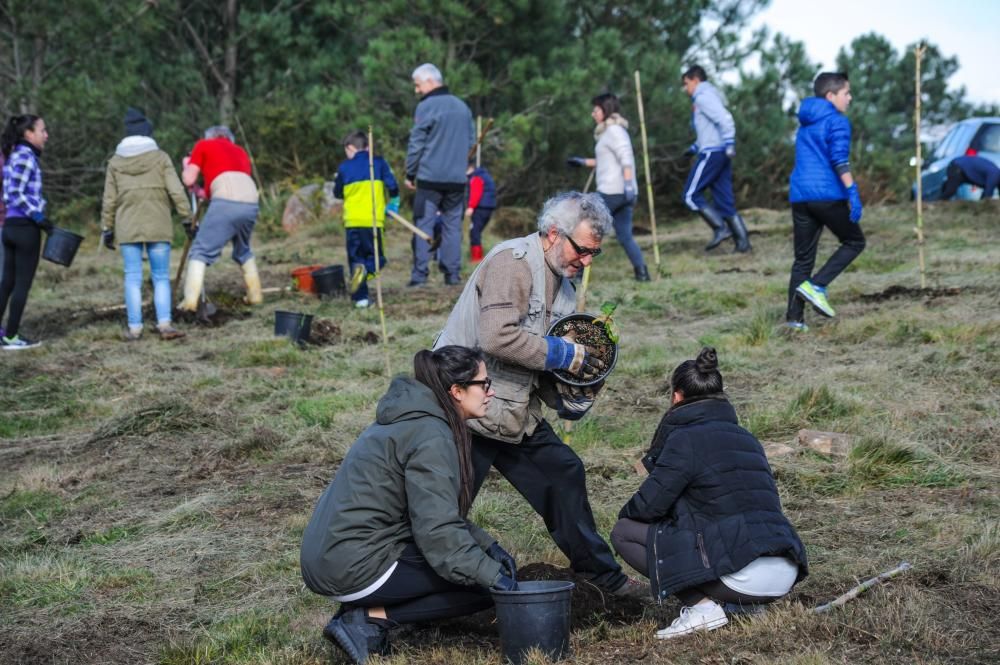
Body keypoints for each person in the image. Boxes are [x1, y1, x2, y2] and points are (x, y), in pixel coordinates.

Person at [434, 191, 648, 600]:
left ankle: (604, 577)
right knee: (443, 509)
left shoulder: (564, 289)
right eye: (583, 250)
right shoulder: (511, 263)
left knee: (562, 471)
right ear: (553, 234)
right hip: (461, 409)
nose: (586, 263)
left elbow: (538, 364)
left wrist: (575, 394)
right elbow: (497, 339)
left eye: (595, 255)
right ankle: (394, 596)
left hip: (509, 410)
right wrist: (566, 353)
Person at [300, 346, 518, 665]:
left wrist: (489, 546)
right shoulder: (432, 435)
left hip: (331, 556)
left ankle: (362, 611)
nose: (491, 391)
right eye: (484, 384)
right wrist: (496, 579)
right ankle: (368, 619)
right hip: (352, 565)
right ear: (457, 391)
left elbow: (433, 511)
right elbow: (439, 534)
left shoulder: (410, 418)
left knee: (479, 565)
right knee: (482, 586)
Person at [611, 346, 808, 639]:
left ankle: (703, 608)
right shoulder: (748, 438)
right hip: (785, 569)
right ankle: (743, 607)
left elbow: (647, 507)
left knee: (624, 532)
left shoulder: (684, 440)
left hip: (743, 577)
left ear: (676, 396)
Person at [100, 108, 191, 341]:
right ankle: (164, 325)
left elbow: (109, 199)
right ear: (148, 133)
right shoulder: (160, 157)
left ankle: (135, 328)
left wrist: (107, 228)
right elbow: (176, 190)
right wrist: (187, 219)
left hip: (127, 226)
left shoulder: (115, 162)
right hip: (157, 223)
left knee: (132, 277)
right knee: (161, 275)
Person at [785, 72, 866, 331]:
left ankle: (794, 320)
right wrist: (852, 190)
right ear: (831, 96)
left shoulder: (805, 122)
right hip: (828, 195)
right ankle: (817, 285)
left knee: (803, 258)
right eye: (846, 93)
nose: (850, 98)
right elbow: (839, 159)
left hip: (801, 196)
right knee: (854, 241)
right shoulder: (837, 121)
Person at [405, 63, 474, 287]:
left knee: (423, 224)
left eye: (417, 85)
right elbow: (471, 143)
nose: (416, 91)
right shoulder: (463, 107)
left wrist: (410, 172)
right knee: (452, 226)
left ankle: (419, 276)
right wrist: (466, 165)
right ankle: (452, 275)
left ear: (429, 81)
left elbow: (417, 143)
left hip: (430, 179)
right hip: (457, 180)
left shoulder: (426, 106)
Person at [567, 93, 649, 281]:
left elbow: (626, 157)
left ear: (606, 110)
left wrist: (628, 184)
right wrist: (581, 162)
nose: (592, 114)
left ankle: (577, 272)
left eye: (595, 110)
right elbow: (604, 161)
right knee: (624, 236)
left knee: (586, 226)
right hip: (621, 193)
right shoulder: (609, 132)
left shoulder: (614, 131)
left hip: (613, 191)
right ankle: (642, 273)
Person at [178, 125, 261, 311]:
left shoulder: (203, 145)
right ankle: (255, 296)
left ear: (209, 137)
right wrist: (199, 192)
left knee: (200, 251)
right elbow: (209, 190)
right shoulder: (240, 151)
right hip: (251, 199)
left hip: (226, 198)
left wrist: (186, 164)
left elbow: (189, 180)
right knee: (243, 249)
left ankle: (189, 303)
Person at [680, 65, 751, 253]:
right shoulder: (709, 96)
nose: (685, 89)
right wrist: (695, 147)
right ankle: (743, 244)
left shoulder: (703, 98)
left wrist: (730, 143)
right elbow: (710, 130)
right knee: (724, 200)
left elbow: (725, 119)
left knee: (690, 195)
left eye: (686, 84)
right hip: (717, 151)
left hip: (713, 152)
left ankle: (720, 228)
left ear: (696, 80)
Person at [0, 114, 51, 350]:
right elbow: (15, 194)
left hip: (10, 227)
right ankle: (11, 336)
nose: (46, 135)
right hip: (23, 228)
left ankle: (5, 334)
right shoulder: (25, 156)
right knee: (22, 284)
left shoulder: (13, 156)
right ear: (28, 134)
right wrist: (38, 216)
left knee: (7, 283)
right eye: (42, 130)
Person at [333, 130, 400, 308]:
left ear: (350, 148)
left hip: (352, 222)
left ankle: (361, 300)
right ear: (368, 146)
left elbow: (337, 192)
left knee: (356, 260)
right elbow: (393, 185)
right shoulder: (378, 163)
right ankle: (367, 271)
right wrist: (393, 201)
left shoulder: (344, 167)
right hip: (373, 221)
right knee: (378, 259)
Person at [465, 162, 496, 263]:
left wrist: (471, 207)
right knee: (477, 231)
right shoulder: (485, 175)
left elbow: (476, 192)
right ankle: (478, 258)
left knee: (474, 232)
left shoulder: (476, 177)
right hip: (488, 207)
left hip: (480, 207)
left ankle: (476, 259)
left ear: (470, 168)